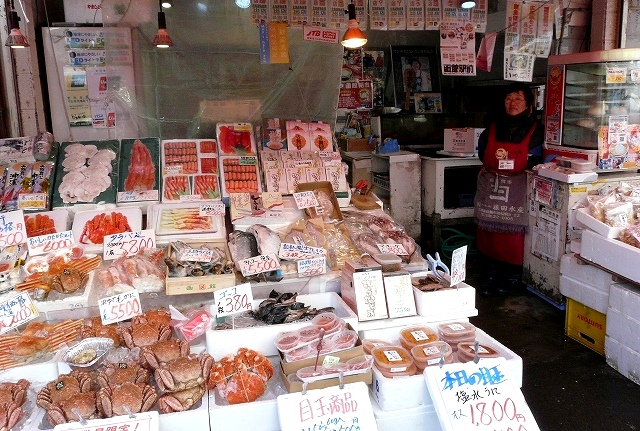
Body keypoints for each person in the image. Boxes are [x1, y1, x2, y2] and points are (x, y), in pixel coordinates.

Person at [474, 83, 543, 296]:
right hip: (491, 187)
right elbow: (482, 152)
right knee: (488, 233)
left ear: (529, 106)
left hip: (518, 189)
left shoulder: (537, 130)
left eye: (518, 99)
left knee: (513, 238)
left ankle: (512, 277)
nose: (512, 103)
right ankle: (489, 274)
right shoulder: (492, 127)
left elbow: (537, 156)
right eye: (508, 99)